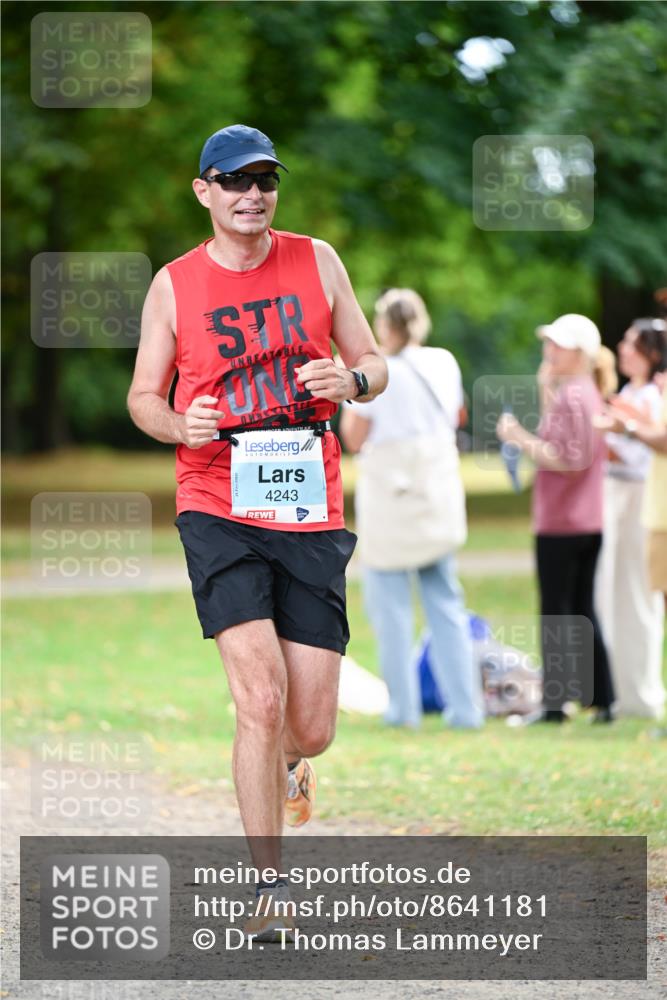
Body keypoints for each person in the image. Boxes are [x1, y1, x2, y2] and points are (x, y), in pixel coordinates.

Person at [127, 124, 387, 937]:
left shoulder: (318, 260)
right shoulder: (174, 284)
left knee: (310, 727)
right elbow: (142, 398)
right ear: (203, 191)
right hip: (217, 502)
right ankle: (269, 888)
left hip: (308, 506)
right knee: (259, 701)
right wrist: (181, 425)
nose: (252, 195)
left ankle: (292, 765)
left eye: (265, 180)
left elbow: (375, 363)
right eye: (235, 181)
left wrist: (350, 380)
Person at [340, 288, 484, 731]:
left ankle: (403, 709)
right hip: (434, 497)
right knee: (446, 604)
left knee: (391, 609)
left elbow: (354, 437)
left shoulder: (376, 374)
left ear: (384, 324)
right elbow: (456, 416)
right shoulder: (443, 362)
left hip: (390, 498)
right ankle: (466, 710)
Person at [497, 314, 615, 723]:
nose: (549, 350)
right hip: (584, 519)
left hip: (563, 521)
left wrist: (517, 437)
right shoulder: (582, 393)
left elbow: (568, 460)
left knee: (558, 611)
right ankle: (600, 699)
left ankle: (555, 704)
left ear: (579, 353)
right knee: (580, 608)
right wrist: (545, 389)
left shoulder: (575, 397)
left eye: (558, 345)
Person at [594, 320, 667, 719]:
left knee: (638, 596)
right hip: (616, 495)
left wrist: (615, 436)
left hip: (640, 497)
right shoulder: (628, 393)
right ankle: (620, 689)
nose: (622, 349)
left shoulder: (654, 397)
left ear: (651, 353)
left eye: (631, 344)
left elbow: (644, 454)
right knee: (613, 593)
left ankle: (642, 692)